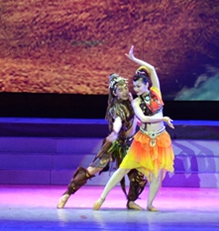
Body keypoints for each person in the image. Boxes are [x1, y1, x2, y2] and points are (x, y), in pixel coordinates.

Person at [93, 47, 174, 212]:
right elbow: (143, 119)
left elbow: (151, 69)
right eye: (134, 86)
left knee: (157, 174)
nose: (135, 89)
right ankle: (102, 198)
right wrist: (163, 118)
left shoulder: (156, 92)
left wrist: (134, 59)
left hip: (160, 138)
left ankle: (150, 204)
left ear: (146, 84)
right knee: (124, 168)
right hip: (144, 140)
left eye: (138, 86)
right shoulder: (136, 102)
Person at [57, 74, 146, 210]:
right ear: (115, 93)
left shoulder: (130, 101)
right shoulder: (116, 108)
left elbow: (132, 118)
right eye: (120, 90)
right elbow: (118, 121)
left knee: (138, 172)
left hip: (131, 144)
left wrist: (138, 122)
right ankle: (67, 194)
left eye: (125, 88)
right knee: (94, 169)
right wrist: (115, 132)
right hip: (116, 144)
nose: (124, 91)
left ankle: (131, 201)